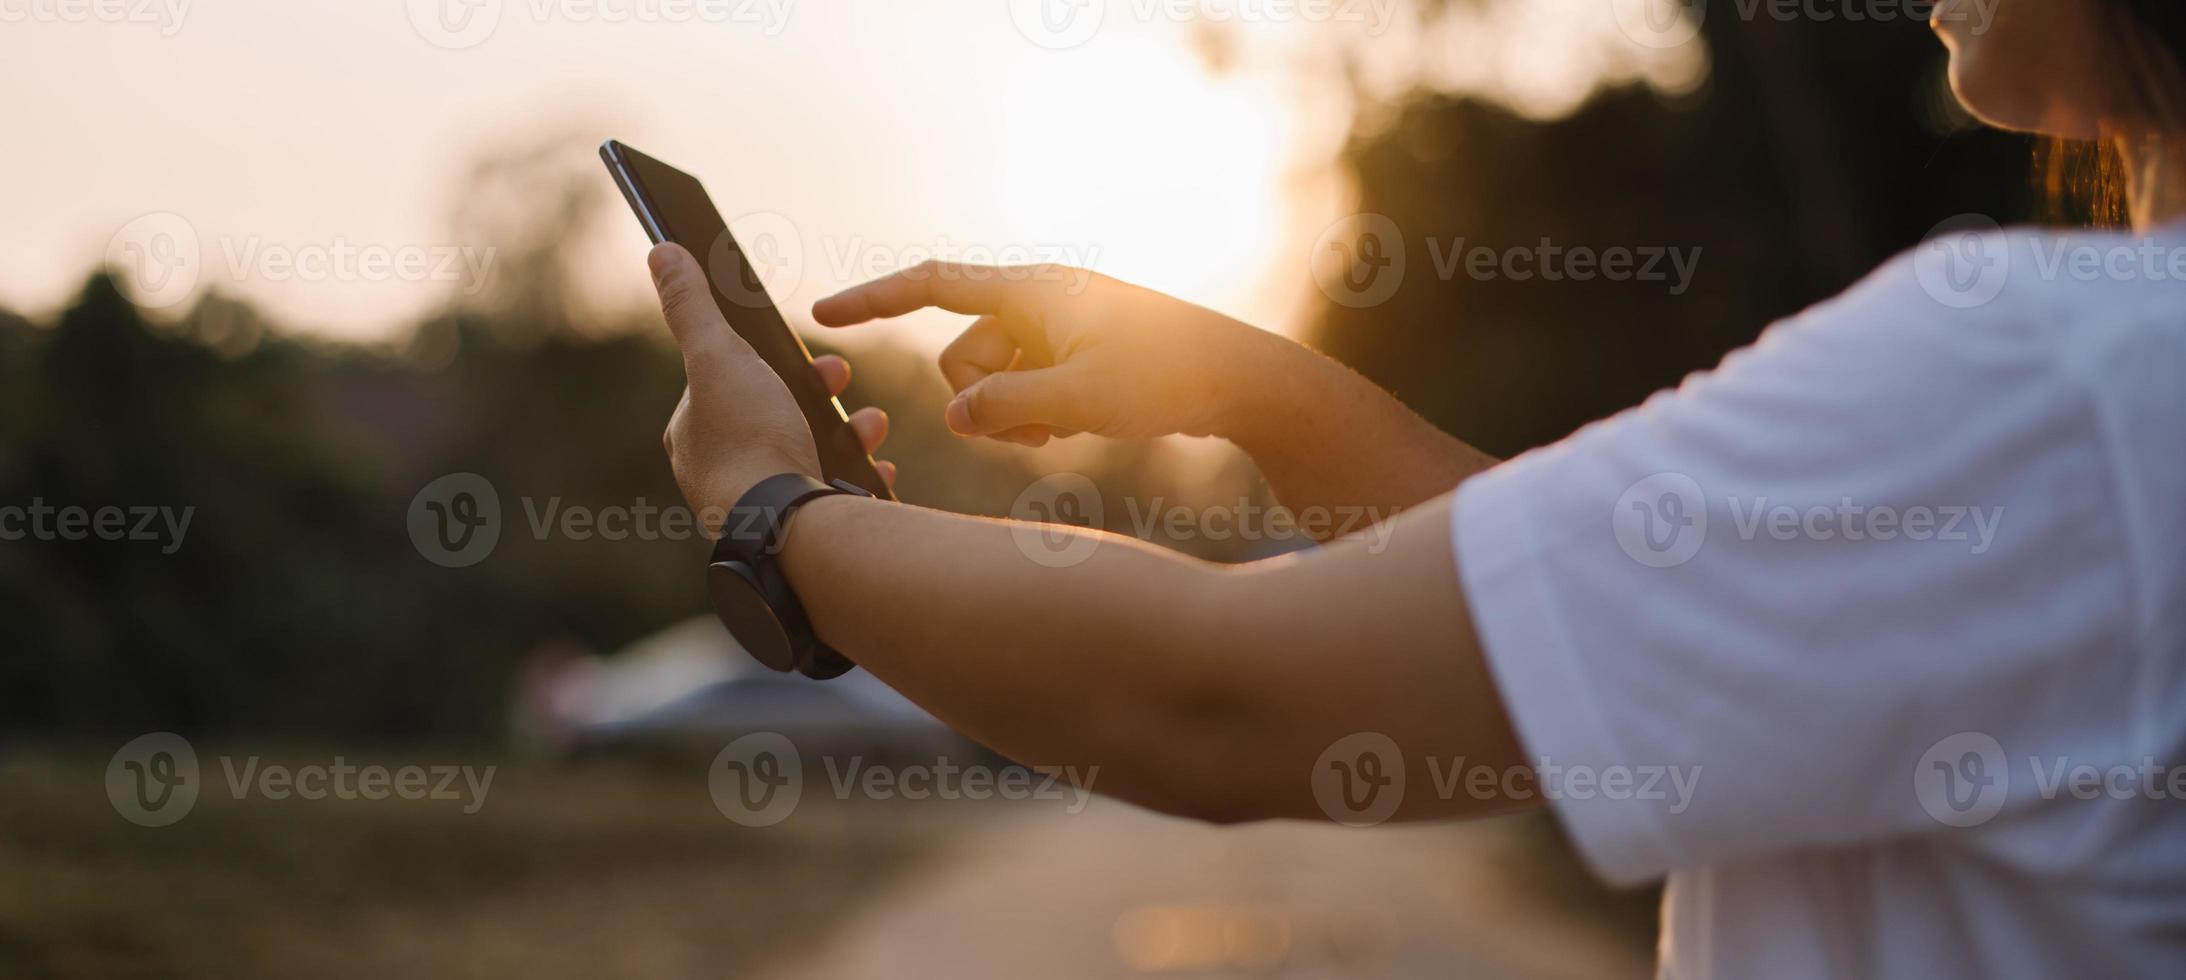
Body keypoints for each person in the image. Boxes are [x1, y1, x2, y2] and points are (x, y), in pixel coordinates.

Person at [647, 3, 2185, 975]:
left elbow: (1214, 699)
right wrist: (1250, 387)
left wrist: (776, 512)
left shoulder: (2046, 372)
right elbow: (1576, 622)